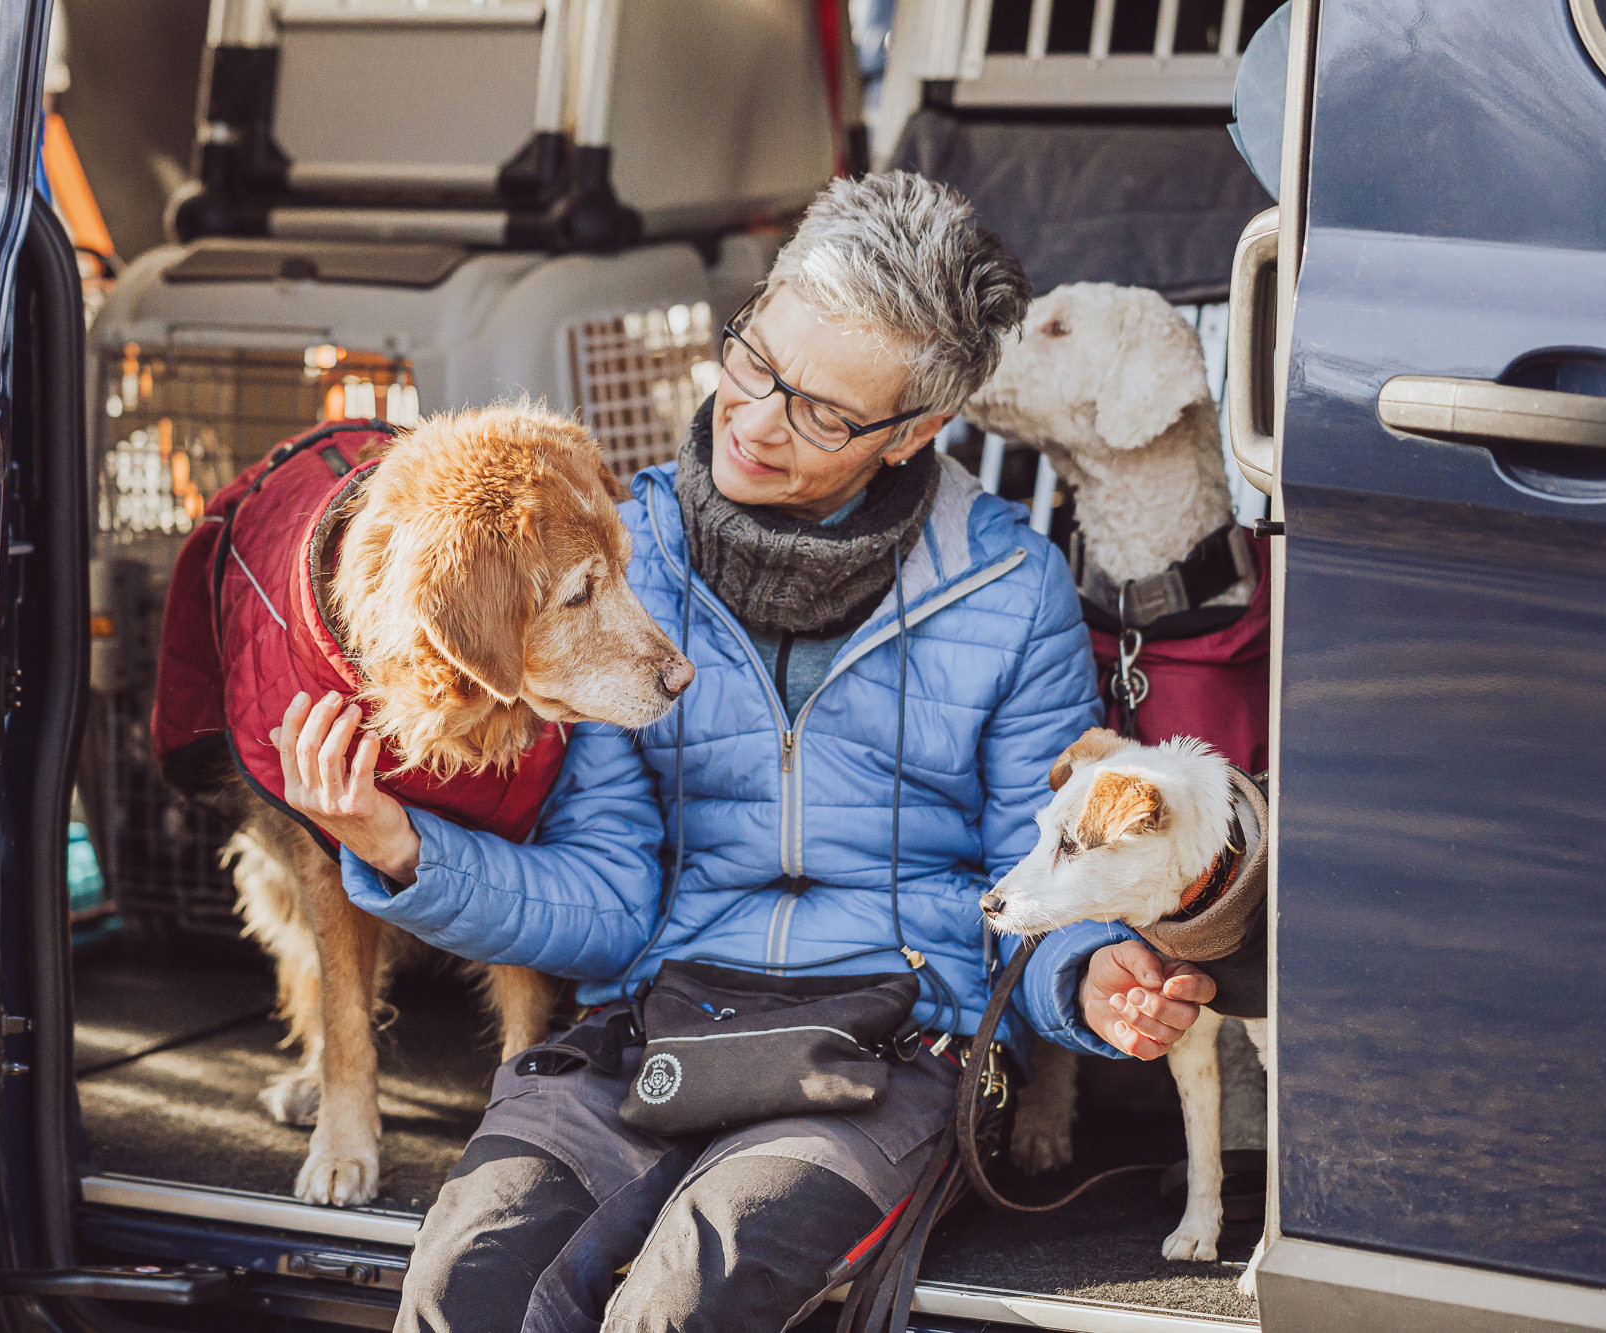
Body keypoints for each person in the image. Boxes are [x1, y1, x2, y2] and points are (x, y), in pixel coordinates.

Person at [273, 172, 1217, 1333]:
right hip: (649, 1022)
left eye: (822, 412)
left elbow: (1046, 879)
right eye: (756, 360)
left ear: (914, 431)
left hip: (887, 1043)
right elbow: (609, 899)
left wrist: (1087, 983)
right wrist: (401, 848)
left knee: (684, 1307)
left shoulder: (1009, 589)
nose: (756, 420)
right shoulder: (629, 552)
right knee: (467, 1285)